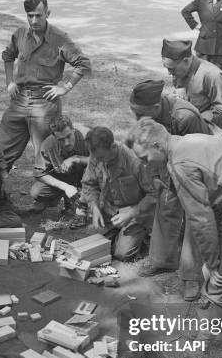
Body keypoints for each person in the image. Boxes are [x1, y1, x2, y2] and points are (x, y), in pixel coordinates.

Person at [128, 118, 222, 321]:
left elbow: (201, 219)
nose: (145, 165)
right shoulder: (189, 140)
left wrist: (214, 263)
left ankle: (203, 345)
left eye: (145, 158)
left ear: (157, 145)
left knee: (221, 282)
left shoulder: (180, 163)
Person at [128, 79, 212, 300]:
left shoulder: (185, 117)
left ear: (156, 108)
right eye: (134, 113)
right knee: (165, 204)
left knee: (194, 218)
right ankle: (162, 261)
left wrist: (184, 183)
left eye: (140, 114)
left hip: (195, 165)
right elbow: (146, 149)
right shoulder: (147, 116)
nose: (137, 119)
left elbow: (199, 148)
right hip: (168, 161)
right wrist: (157, 176)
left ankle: (191, 276)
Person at [0, 0, 91, 171]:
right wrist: (10, 82)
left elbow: (83, 64)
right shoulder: (20, 35)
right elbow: (8, 56)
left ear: (47, 13)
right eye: (30, 15)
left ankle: (50, 194)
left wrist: (65, 87)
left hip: (45, 104)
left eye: (38, 15)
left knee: (46, 156)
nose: (34, 20)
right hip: (19, 100)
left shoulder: (59, 38)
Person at [80, 126, 156, 262]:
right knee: (93, 242)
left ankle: (144, 235)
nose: (99, 161)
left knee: (122, 253)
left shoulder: (134, 161)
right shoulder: (96, 156)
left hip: (135, 214)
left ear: (113, 146)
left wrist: (131, 214)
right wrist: (94, 207)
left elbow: (154, 194)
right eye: (96, 157)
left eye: (102, 157)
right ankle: (116, 235)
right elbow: (89, 184)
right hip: (110, 212)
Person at [161, 39, 222, 138]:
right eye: (167, 68)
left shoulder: (212, 75)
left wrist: (194, 118)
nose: (169, 73)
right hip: (187, 134)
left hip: (210, 137)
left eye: (171, 69)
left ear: (185, 61)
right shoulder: (179, 71)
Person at [29, 115, 90, 218]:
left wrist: (76, 158)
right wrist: (65, 187)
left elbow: (104, 159)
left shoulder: (88, 136)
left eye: (68, 136)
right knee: (37, 192)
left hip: (85, 177)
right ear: (54, 136)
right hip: (63, 178)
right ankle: (61, 200)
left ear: (73, 130)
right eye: (61, 139)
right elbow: (39, 173)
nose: (66, 143)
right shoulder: (47, 146)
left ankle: (86, 203)